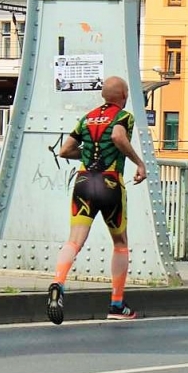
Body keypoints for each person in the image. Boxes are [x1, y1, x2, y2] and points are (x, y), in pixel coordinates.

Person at [46, 76, 148, 324]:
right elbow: (117, 137)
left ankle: (58, 282)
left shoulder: (87, 117)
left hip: (83, 182)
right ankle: (117, 304)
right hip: (110, 181)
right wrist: (139, 163)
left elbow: (65, 150)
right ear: (123, 95)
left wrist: (89, 155)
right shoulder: (123, 116)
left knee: (74, 240)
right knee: (120, 243)